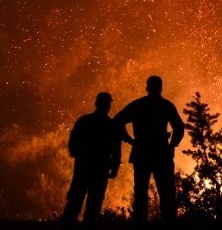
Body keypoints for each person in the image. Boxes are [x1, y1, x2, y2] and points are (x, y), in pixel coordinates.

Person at [113, 75, 184, 226]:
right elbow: (179, 127)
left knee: (141, 192)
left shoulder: (139, 105)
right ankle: (168, 223)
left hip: (142, 153)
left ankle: (140, 223)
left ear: (147, 88)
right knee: (166, 192)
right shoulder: (166, 105)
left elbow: (117, 120)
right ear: (161, 87)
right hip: (161, 153)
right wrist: (172, 145)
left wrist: (129, 140)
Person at [60, 92, 122, 228]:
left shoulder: (84, 121)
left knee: (75, 199)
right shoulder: (111, 125)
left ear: (96, 104)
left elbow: (72, 143)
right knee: (94, 203)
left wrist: (79, 155)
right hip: (101, 169)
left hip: (83, 167)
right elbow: (116, 149)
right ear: (108, 105)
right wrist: (114, 167)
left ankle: (67, 224)